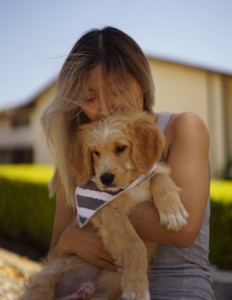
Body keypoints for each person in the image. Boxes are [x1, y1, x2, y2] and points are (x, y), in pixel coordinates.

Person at [41, 26, 215, 299]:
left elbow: (182, 231)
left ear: (142, 83)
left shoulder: (181, 127)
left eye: (117, 90)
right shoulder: (81, 156)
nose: (104, 106)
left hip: (174, 289)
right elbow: (54, 253)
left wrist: (93, 209)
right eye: (88, 97)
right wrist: (67, 242)